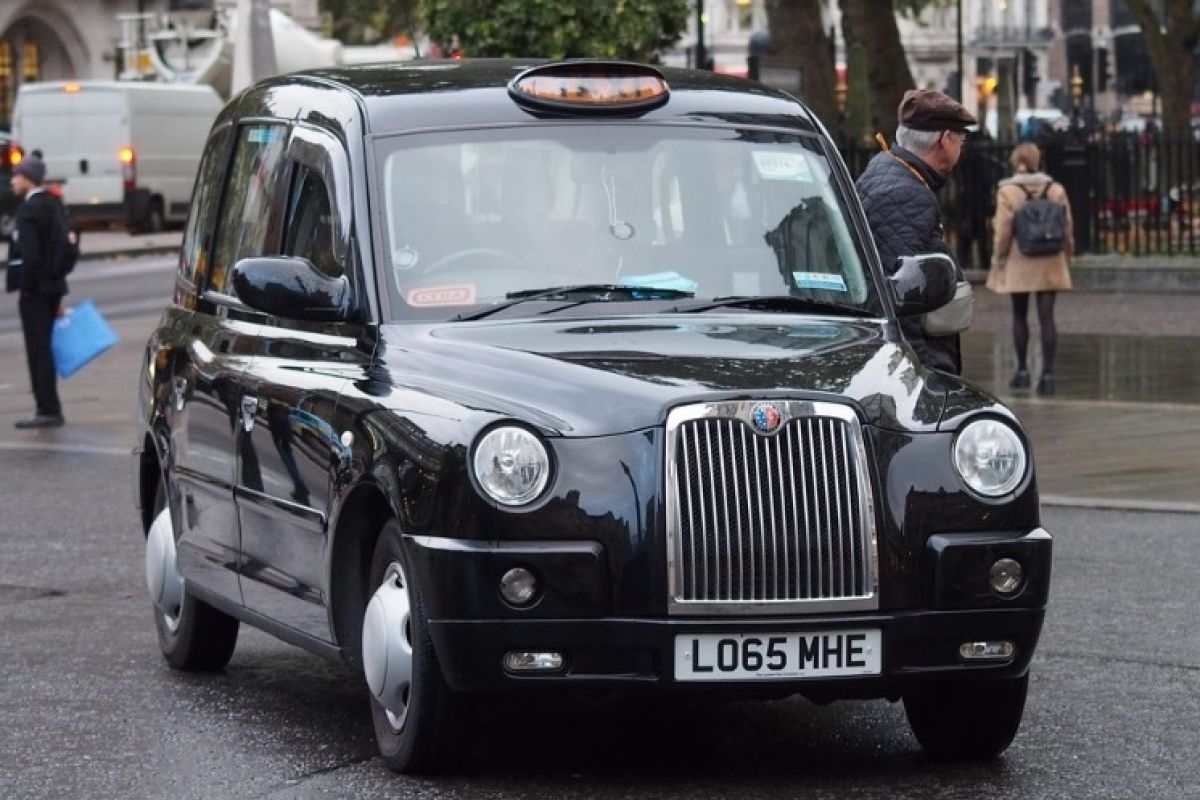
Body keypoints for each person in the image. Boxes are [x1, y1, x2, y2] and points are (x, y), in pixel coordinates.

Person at [856, 88, 977, 375]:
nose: (962, 145)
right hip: (918, 360)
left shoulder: (889, 170)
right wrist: (923, 374)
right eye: (961, 138)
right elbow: (905, 296)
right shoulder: (904, 193)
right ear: (944, 140)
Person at [986, 142, 1073, 396]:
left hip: (1019, 257)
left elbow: (1002, 230)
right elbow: (1068, 225)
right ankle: (1047, 375)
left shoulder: (1008, 191)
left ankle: (1022, 370)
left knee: (1019, 314)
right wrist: (1068, 253)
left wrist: (998, 258)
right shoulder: (1055, 189)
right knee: (1047, 317)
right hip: (1050, 257)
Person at [10, 152, 69, 428]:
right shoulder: (52, 204)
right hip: (52, 287)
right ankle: (49, 406)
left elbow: (30, 256)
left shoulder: (29, 210)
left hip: (35, 291)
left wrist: (26, 288)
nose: (13, 180)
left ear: (29, 179)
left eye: (17, 175)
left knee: (38, 350)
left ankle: (46, 408)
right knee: (44, 347)